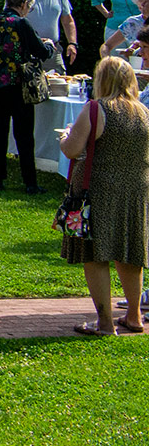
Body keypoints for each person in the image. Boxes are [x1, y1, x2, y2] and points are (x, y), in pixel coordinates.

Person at [61, 57, 149, 336]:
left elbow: (72, 150)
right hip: (135, 191)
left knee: (96, 255)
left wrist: (65, 136)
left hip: (98, 190)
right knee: (130, 253)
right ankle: (134, 317)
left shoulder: (96, 110)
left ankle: (105, 322)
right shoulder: (143, 112)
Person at [0, 0, 53, 193]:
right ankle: (30, 182)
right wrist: (50, 46)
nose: (28, 10)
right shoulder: (21, 23)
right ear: (22, 5)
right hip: (18, 86)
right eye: (28, 6)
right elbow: (40, 50)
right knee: (24, 136)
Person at [17, 0, 79, 73]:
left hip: (53, 49)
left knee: (60, 84)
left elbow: (67, 20)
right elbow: (11, 20)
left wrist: (72, 43)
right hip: (27, 49)